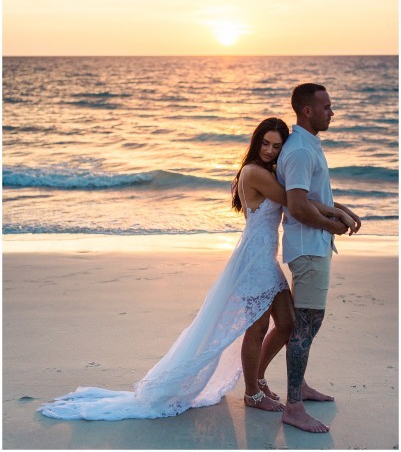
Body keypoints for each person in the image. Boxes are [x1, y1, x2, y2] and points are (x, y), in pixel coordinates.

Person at [38, 117, 354, 421]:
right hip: (254, 261)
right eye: (266, 143)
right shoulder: (254, 173)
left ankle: (258, 380)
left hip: (265, 259)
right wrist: (336, 209)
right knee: (256, 329)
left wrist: (329, 206)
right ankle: (252, 392)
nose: (271, 150)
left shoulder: (267, 172)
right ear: (256, 143)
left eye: (277, 146)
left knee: (286, 324)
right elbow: (294, 200)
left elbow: (299, 197)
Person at [275, 83, 362, 433]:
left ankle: (301, 388)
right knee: (305, 327)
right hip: (308, 248)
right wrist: (332, 226)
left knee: (309, 325)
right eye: (326, 106)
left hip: (314, 244)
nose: (332, 111)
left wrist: (337, 210)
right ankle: (293, 406)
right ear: (307, 111)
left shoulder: (308, 144)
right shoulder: (298, 150)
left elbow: (310, 197)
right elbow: (296, 207)